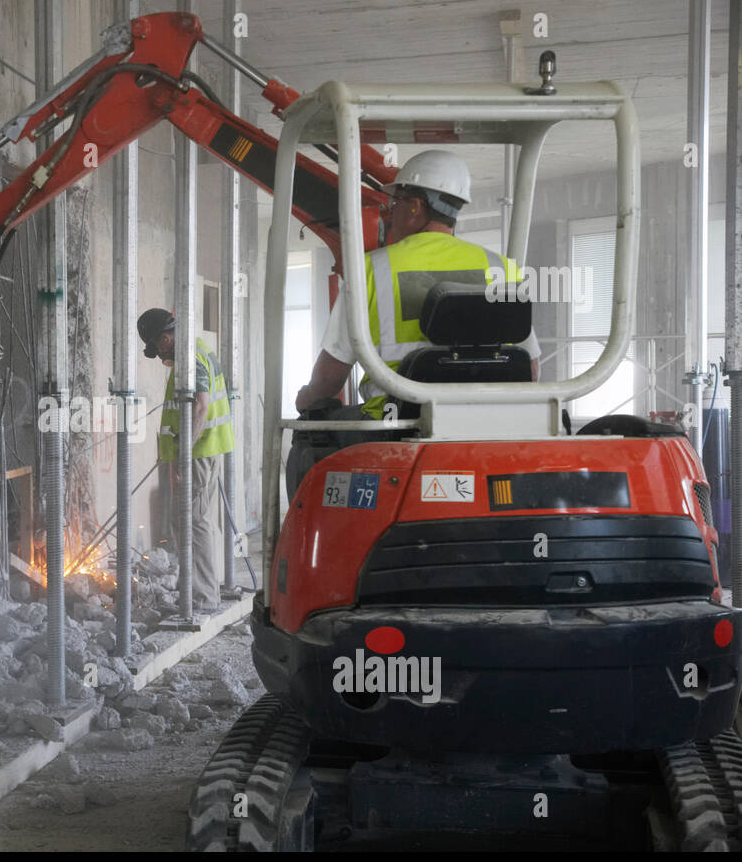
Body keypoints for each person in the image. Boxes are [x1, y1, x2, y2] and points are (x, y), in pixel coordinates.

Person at [287, 150, 541, 493]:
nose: (388, 215)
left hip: (393, 428)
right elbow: (531, 369)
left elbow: (331, 377)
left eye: (395, 203)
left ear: (415, 207)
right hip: (484, 427)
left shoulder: (370, 271)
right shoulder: (502, 269)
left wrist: (307, 399)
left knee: (312, 431)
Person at [138, 308, 234, 613]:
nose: (162, 357)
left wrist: (181, 457)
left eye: (159, 349)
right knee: (192, 520)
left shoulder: (190, 361)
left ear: (165, 339)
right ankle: (200, 590)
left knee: (194, 522)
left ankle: (203, 598)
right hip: (200, 451)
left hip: (197, 453)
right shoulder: (196, 351)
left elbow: (199, 409)